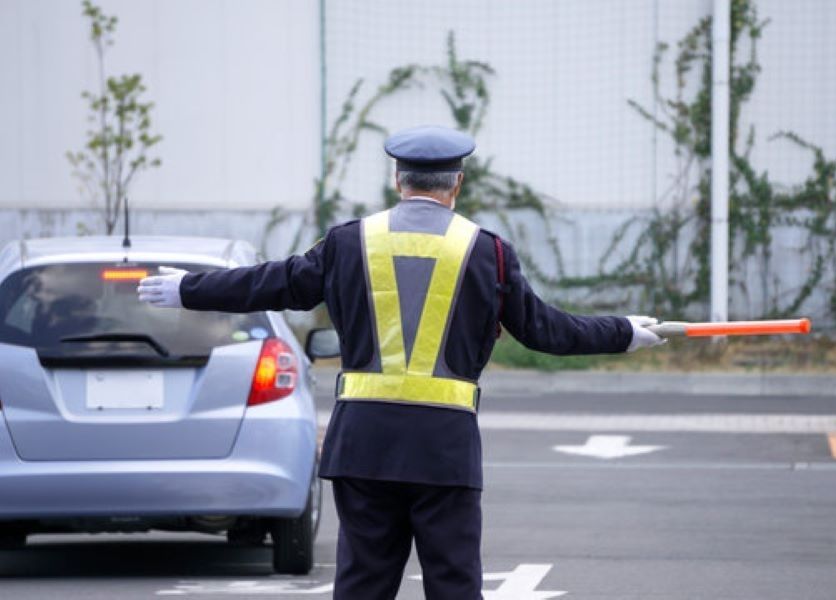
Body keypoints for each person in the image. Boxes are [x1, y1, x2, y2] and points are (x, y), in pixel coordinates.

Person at [137, 125, 664, 599]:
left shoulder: (347, 242)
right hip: (445, 450)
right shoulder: (489, 252)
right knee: (454, 586)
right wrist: (624, 333)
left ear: (397, 180)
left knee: (363, 586)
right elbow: (547, 330)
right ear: (457, 183)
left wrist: (189, 289)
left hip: (363, 447)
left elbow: (273, 282)